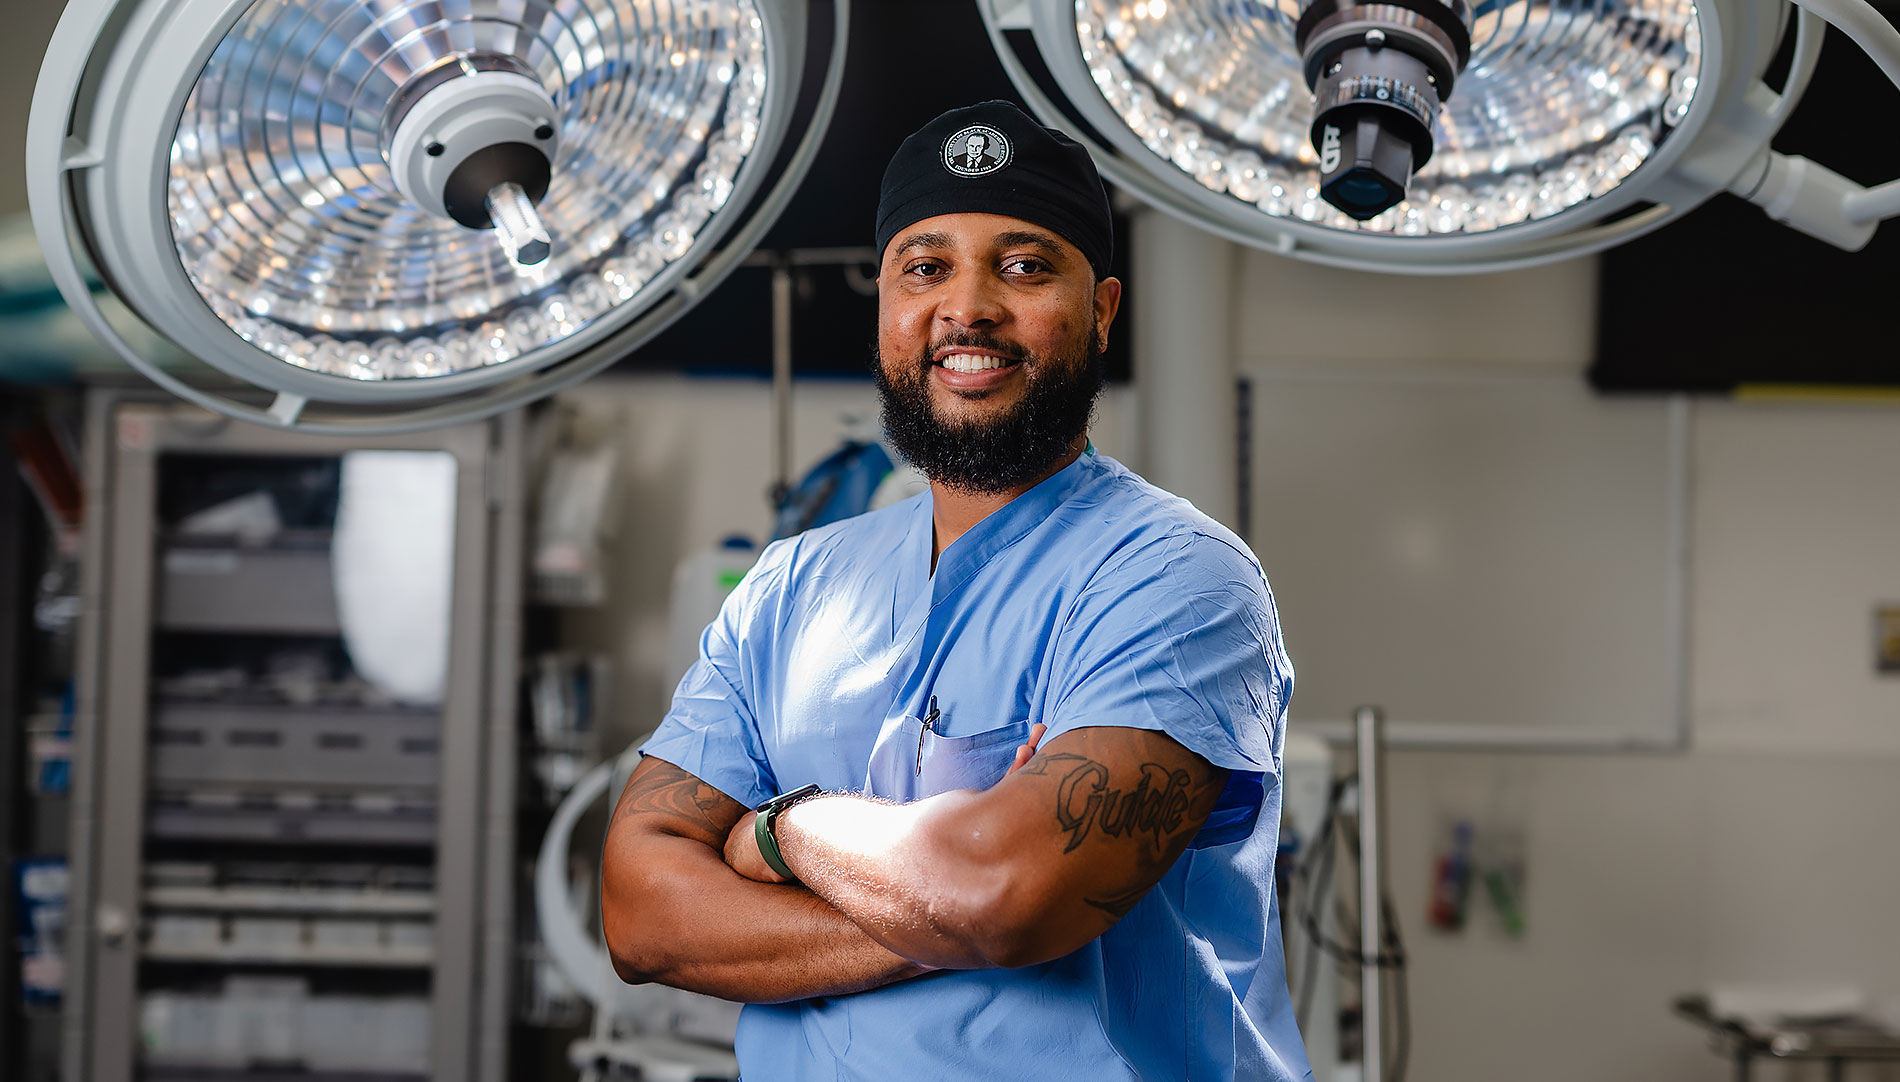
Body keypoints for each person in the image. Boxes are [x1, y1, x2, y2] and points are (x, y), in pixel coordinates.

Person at [602, 100, 1310, 1081]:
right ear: (887, 304)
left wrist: (783, 827)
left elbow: (1009, 896)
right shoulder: (789, 590)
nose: (967, 306)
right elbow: (639, 914)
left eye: (1023, 267)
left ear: (1102, 311)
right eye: (925, 267)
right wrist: (951, 893)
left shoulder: (1176, 578)